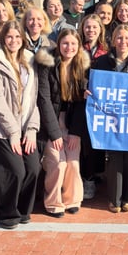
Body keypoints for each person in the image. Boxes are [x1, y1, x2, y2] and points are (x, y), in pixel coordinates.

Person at [0, 20, 40, 227]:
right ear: (3, 39)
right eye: (9, 37)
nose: (13, 40)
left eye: (17, 36)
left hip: (25, 125)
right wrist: (14, 131)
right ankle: (6, 212)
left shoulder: (31, 62)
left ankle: (22, 209)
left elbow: (33, 99)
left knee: (33, 168)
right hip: (0, 127)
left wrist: (31, 129)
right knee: (16, 171)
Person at [91, 24, 128, 212]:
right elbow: (93, 85)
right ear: (113, 40)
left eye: (126, 38)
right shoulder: (101, 63)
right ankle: (114, 199)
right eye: (119, 38)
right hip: (110, 120)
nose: (123, 42)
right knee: (114, 158)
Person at [37, 27, 89, 217]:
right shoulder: (47, 64)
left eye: (74, 44)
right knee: (58, 163)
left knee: (73, 162)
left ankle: (72, 199)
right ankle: (52, 201)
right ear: (58, 44)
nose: (69, 47)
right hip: (50, 122)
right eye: (65, 43)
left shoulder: (82, 65)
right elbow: (44, 99)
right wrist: (55, 133)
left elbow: (82, 102)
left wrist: (75, 132)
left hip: (72, 122)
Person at [78, 13, 108, 199]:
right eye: (87, 27)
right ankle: (86, 178)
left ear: (100, 29)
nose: (90, 30)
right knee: (85, 143)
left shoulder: (107, 50)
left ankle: (97, 174)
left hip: (101, 103)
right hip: (81, 101)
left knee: (98, 141)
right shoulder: (77, 48)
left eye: (94, 27)